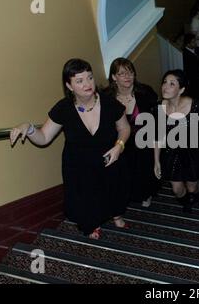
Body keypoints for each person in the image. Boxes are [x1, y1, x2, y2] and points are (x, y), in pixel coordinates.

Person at [10, 59, 130, 239]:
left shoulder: (109, 103)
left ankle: (117, 216)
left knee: (113, 190)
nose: (88, 84)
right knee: (85, 197)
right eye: (79, 80)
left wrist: (118, 147)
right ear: (69, 85)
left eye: (89, 78)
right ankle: (92, 223)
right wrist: (28, 128)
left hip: (108, 158)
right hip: (78, 165)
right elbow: (44, 138)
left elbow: (125, 128)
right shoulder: (64, 108)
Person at [105, 58, 159, 212]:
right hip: (119, 142)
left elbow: (156, 120)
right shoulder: (106, 97)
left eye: (130, 72)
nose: (128, 76)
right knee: (123, 173)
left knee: (144, 170)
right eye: (122, 73)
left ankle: (145, 194)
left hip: (144, 141)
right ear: (114, 77)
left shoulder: (146, 92)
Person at [154, 69, 199, 213]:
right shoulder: (159, 108)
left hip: (191, 154)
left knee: (192, 187)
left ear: (181, 89)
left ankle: (197, 193)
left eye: (171, 84)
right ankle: (186, 201)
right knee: (177, 190)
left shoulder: (195, 106)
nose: (165, 87)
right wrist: (156, 161)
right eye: (164, 82)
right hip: (171, 154)